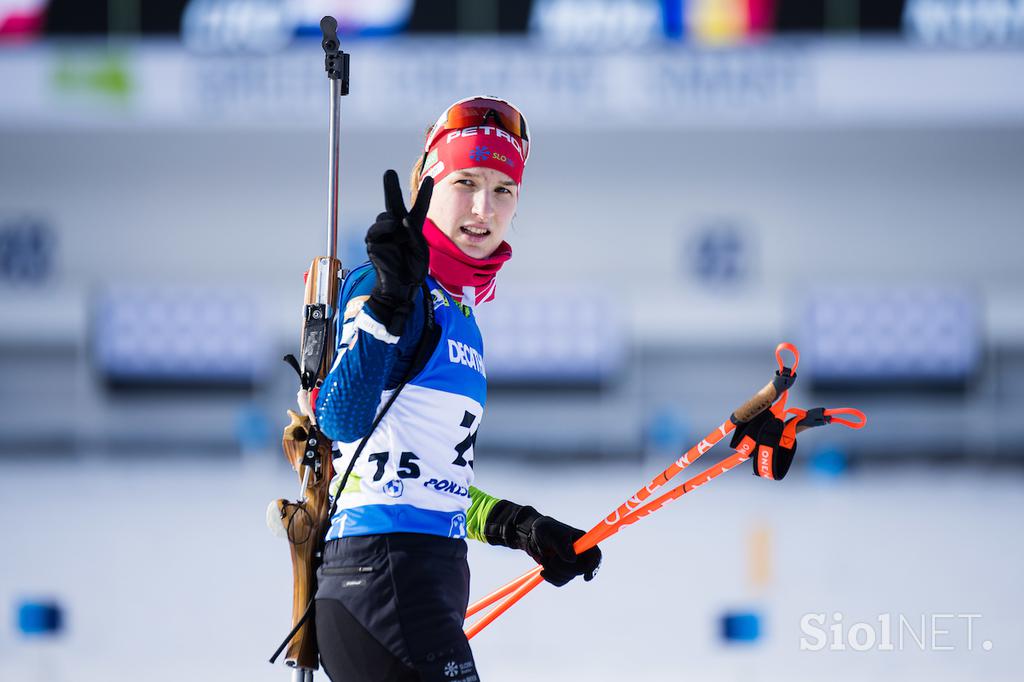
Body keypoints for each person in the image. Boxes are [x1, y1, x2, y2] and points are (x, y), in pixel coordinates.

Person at [306, 96, 603, 682]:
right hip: (384, 581)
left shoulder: (459, 310)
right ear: (425, 184)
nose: (481, 208)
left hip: (415, 580)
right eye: (465, 182)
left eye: (503, 191)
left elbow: (426, 480)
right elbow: (339, 418)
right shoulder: (394, 286)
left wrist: (520, 525)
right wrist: (389, 302)